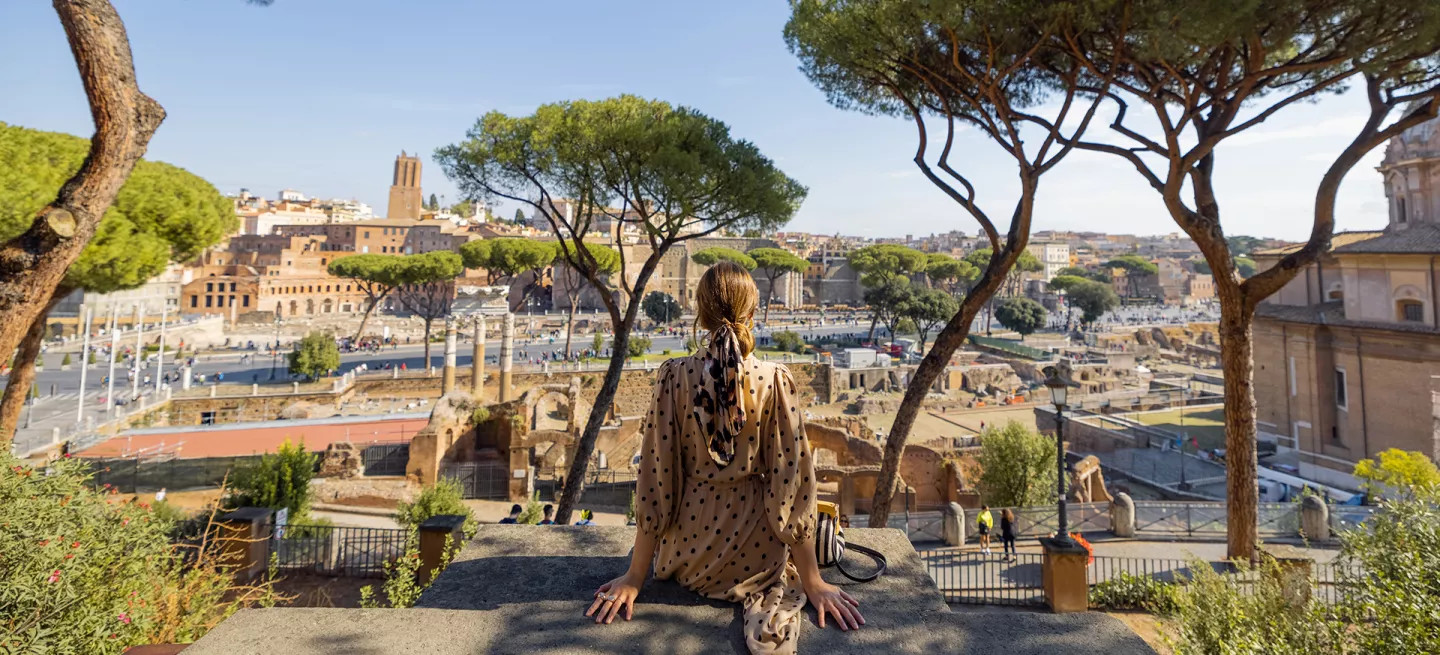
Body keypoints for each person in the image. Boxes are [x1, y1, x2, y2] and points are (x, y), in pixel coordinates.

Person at [587, 262, 862, 653]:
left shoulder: (672, 377)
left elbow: (656, 478)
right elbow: (792, 485)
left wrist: (634, 577)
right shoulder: (774, 380)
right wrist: (813, 581)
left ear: (700, 314)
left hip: (687, 561)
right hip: (759, 561)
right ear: (752, 314)